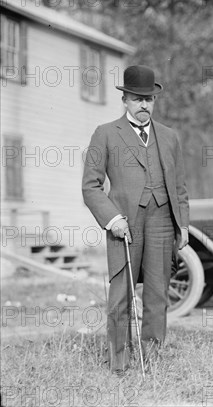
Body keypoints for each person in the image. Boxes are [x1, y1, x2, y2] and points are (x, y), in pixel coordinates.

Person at [82, 65, 190, 375]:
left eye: (149, 100)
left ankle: (152, 357)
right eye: (137, 99)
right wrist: (112, 218)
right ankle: (120, 361)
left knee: (158, 293)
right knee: (120, 296)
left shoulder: (169, 137)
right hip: (123, 224)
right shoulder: (105, 133)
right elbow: (90, 186)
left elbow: (180, 187)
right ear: (125, 100)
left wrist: (182, 224)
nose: (144, 106)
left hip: (162, 222)